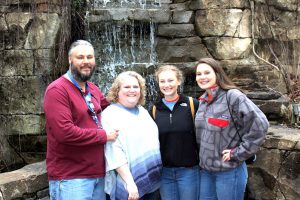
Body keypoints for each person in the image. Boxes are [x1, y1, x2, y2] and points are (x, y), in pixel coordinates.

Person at [43, 40, 119, 200]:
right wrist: (103, 136)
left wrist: (131, 94)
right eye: (80, 57)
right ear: (70, 60)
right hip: (71, 177)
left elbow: (114, 111)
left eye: (90, 57)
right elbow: (65, 133)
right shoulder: (57, 90)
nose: (86, 61)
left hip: (98, 173)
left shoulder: (93, 88)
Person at [195, 57, 269, 200]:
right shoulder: (202, 101)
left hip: (228, 171)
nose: (202, 77)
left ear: (217, 73)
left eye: (207, 72)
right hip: (206, 171)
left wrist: (239, 152)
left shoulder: (232, 97)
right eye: (199, 74)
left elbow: (260, 124)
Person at [102, 71, 162, 200]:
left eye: (136, 87)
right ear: (117, 90)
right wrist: (130, 183)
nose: (132, 90)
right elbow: (114, 152)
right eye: (127, 87)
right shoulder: (110, 115)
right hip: (129, 186)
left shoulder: (142, 111)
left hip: (152, 180)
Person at [150, 65, 200, 200]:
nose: (166, 85)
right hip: (164, 172)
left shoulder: (193, 104)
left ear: (179, 81)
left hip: (189, 171)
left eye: (170, 80)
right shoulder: (154, 109)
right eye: (162, 81)